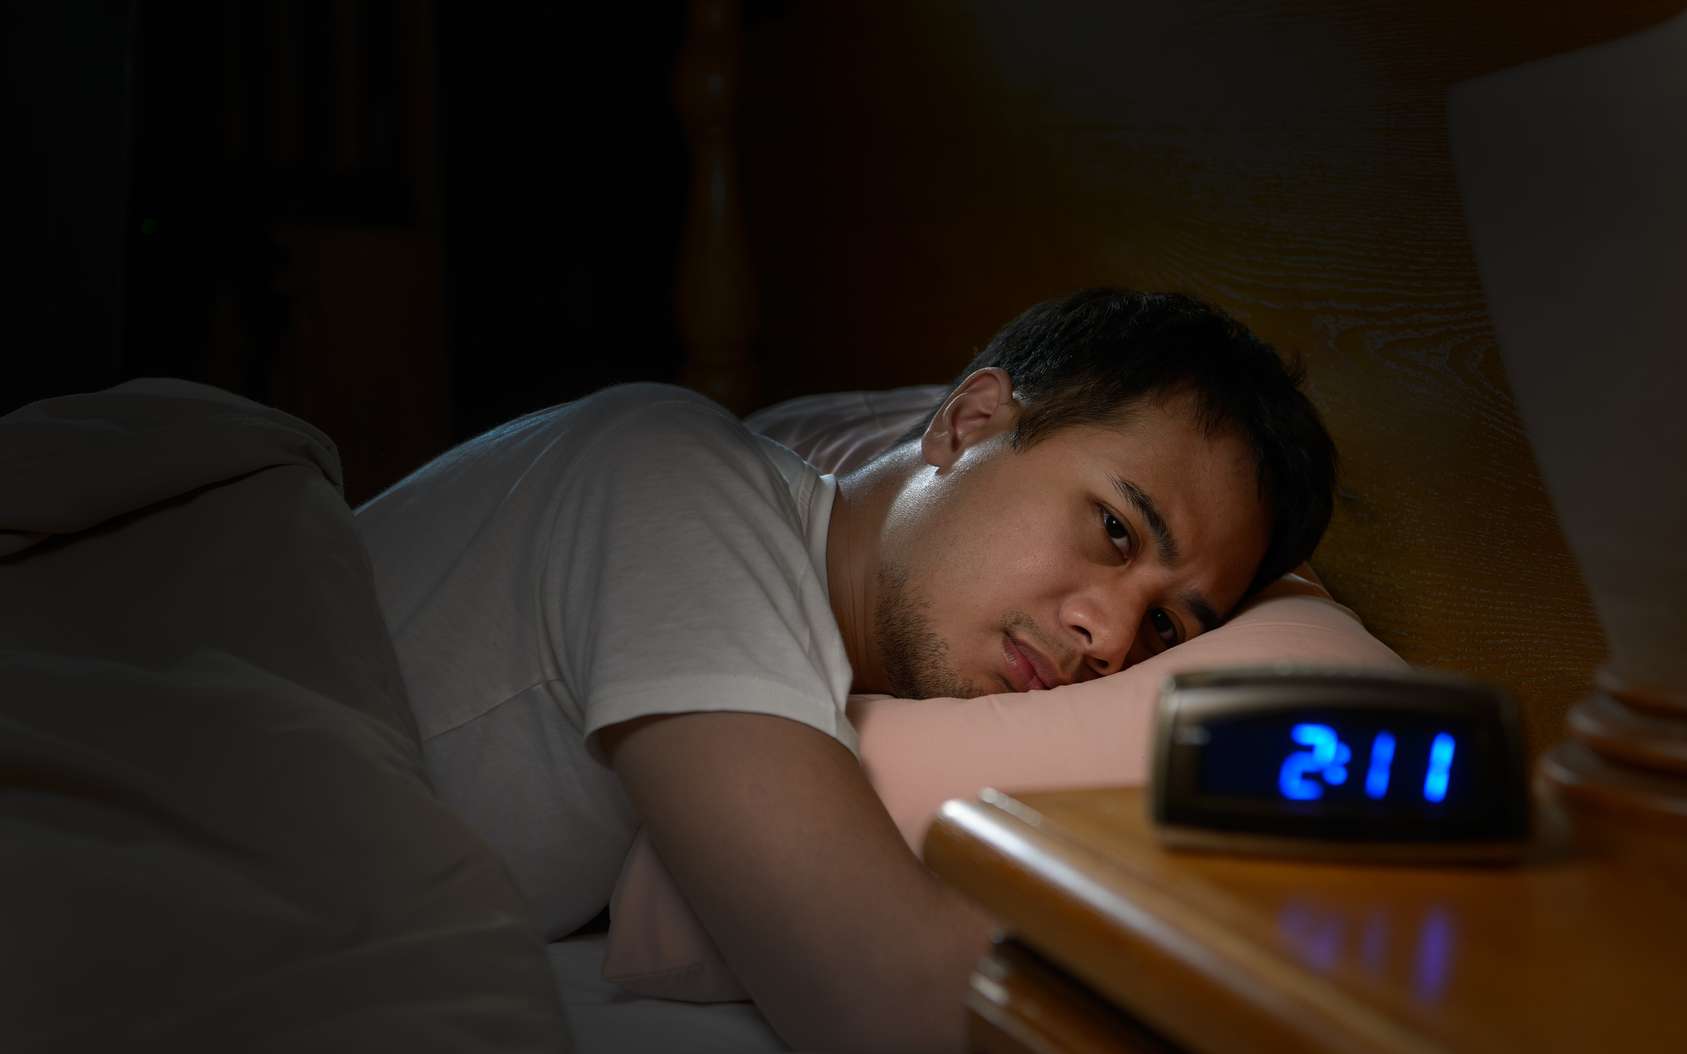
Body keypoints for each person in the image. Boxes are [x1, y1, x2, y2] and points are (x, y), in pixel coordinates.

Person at [353, 287, 1336, 1052]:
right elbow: (889, 996)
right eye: (1115, 529)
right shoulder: (681, 490)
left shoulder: (779, 615)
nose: (1110, 637)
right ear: (967, 421)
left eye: (1164, 625)